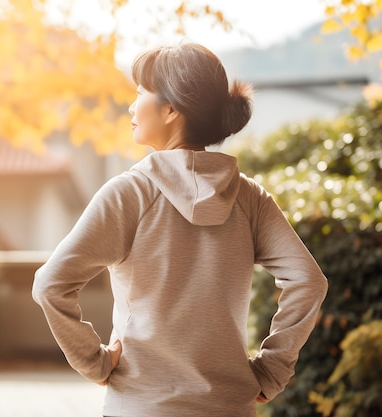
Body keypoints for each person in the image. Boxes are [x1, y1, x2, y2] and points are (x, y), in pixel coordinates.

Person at [31, 42, 328, 417]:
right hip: (230, 408)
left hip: (141, 406)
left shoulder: (130, 193)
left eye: (140, 93)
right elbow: (309, 281)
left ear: (171, 109)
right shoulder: (250, 198)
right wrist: (272, 370)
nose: (131, 106)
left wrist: (95, 362)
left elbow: (50, 285)